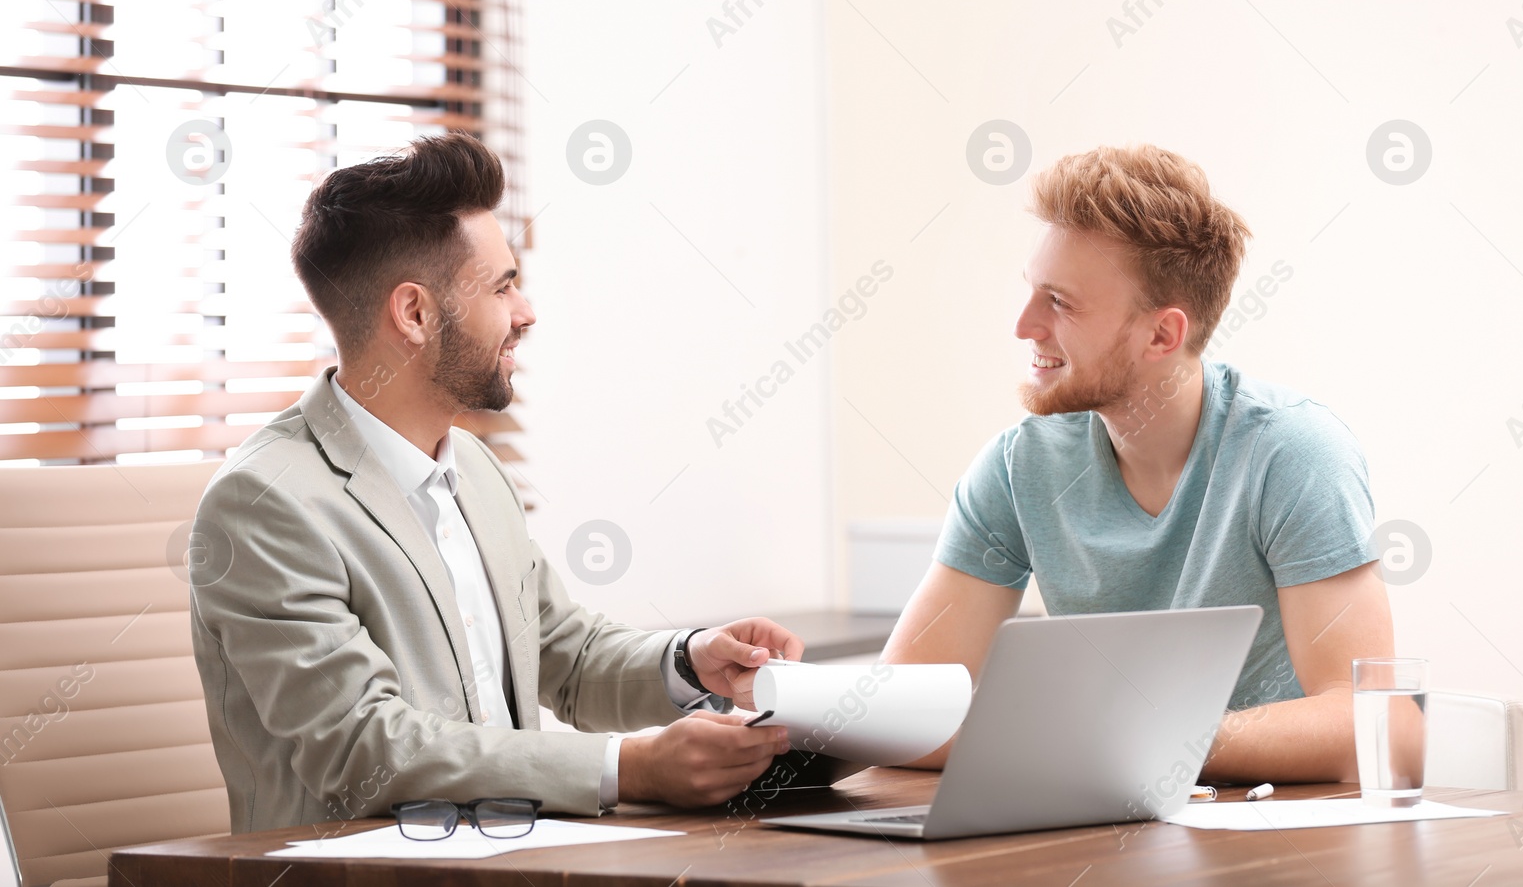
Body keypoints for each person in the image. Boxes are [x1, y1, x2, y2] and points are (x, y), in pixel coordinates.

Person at [189, 133, 795, 833]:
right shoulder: (266, 504)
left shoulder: (471, 467)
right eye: (504, 284)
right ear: (414, 313)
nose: (526, 311)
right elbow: (364, 749)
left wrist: (687, 662)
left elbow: (561, 652)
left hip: (516, 858)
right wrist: (628, 766)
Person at [882, 144, 1393, 782]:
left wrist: (1132, 739)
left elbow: (1373, 722)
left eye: (1059, 302)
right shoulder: (1021, 467)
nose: (1024, 326)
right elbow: (900, 707)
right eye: (1031, 293)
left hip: (1267, 842)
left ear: (1162, 335)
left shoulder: (1293, 454)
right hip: (1093, 832)